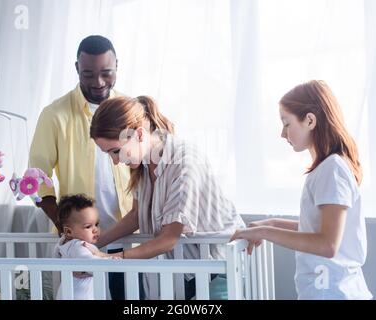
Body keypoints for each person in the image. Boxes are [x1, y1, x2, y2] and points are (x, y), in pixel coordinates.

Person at [89, 95, 246, 299]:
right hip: (195, 272)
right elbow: (137, 215)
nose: (116, 161)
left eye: (116, 151)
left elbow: (168, 239)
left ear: (138, 134)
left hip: (222, 266)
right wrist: (93, 244)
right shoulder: (145, 165)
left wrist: (111, 259)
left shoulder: (184, 162)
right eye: (109, 154)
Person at [231, 80, 372, 300]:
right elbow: (319, 229)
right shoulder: (327, 169)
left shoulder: (332, 169)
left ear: (310, 120)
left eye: (286, 124)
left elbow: (328, 244)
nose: (282, 133)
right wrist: (273, 223)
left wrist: (265, 232)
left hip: (334, 294)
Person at [29, 35, 132, 299]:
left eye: (106, 73)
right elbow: (37, 180)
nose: (98, 82)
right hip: (80, 245)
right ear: (76, 68)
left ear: (117, 66)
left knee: (130, 300)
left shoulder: (129, 110)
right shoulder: (55, 115)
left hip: (126, 234)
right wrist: (71, 232)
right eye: (88, 74)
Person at [55, 194, 118, 300]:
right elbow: (90, 263)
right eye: (88, 226)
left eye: (96, 224)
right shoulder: (78, 246)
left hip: (67, 293)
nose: (95, 230)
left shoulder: (63, 244)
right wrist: (111, 260)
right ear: (68, 231)